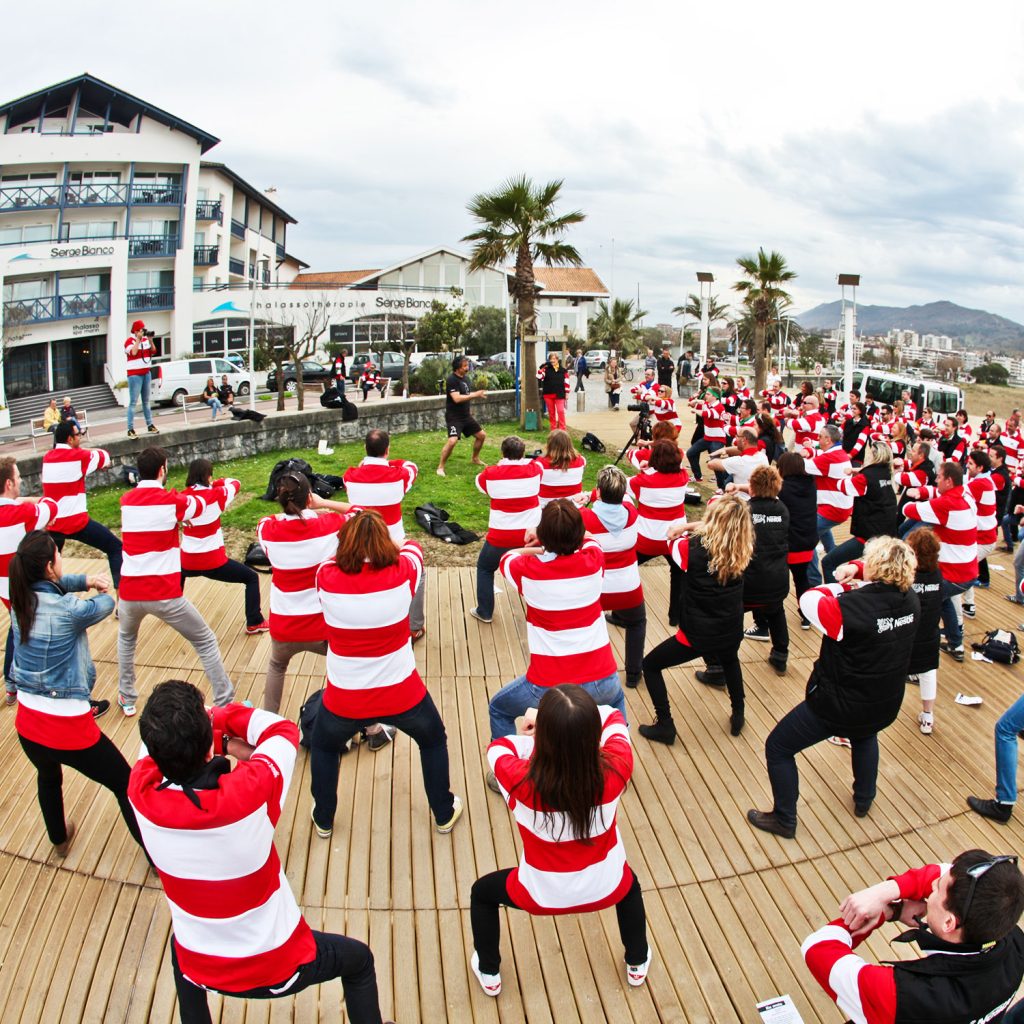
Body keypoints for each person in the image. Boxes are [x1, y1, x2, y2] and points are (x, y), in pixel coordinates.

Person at [130, 680, 389, 1024]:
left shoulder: (140, 793)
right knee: (359, 961)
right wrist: (219, 722)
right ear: (208, 747)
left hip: (202, 961)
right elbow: (281, 730)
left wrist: (210, 736)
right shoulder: (248, 795)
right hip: (275, 964)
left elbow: (151, 748)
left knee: (183, 954)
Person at [470, 687, 650, 997]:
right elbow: (613, 715)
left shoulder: (521, 782)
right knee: (629, 886)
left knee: (482, 894)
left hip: (540, 894)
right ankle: (636, 962)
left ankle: (489, 970)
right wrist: (569, 722)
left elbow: (498, 748)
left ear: (545, 738)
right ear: (592, 734)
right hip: (607, 884)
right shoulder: (618, 768)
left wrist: (533, 733)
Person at [747, 536, 919, 838]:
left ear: (875, 567)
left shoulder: (850, 609)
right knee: (866, 734)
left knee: (778, 746)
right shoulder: (911, 600)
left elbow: (809, 600)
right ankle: (864, 798)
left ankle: (784, 818)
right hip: (882, 700)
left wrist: (841, 584)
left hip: (838, 703)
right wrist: (858, 569)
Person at [311, 510, 463, 837]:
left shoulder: (326, 576)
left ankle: (323, 818)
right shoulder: (404, 571)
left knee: (324, 748)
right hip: (402, 693)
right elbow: (412, 547)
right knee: (434, 740)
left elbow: (331, 557)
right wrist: (388, 539)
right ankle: (443, 812)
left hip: (344, 698)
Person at [8, 531, 144, 856]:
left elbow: (52, 586)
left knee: (48, 775)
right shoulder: (69, 611)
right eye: (58, 555)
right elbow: (104, 605)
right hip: (67, 728)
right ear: (51, 566)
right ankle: (156, 857)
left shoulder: (19, 602)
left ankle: (59, 839)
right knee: (124, 783)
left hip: (28, 725)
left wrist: (82, 579)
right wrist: (100, 588)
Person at [804, 851, 1024, 1024]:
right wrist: (884, 892)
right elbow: (951, 874)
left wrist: (884, 911)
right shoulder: (1013, 941)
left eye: (936, 890)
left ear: (949, 923)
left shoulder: (901, 995)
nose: (930, 888)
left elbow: (817, 948)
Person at [486, 500, 626, 757]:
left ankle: (505, 769)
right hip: (601, 678)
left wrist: (539, 541)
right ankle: (618, 757)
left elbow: (508, 556)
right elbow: (589, 538)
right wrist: (557, 534)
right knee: (615, 701)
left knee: (499, 707)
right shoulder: (595, 559)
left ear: (545, 536)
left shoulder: (527, 571)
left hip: (547, 687)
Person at [117, 446, 235, 718]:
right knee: (205, 640)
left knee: (126, 639)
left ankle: (127, 695)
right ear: (162, 470)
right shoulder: (172, 500)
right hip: (163, 593)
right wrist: (219, 487)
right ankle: (225, 702)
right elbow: (201, 505)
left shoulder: (126, 500)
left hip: (129, 593)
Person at [637, 495, 754, 743]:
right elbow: (725, 531)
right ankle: (738, 712)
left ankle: (665, 724)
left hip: (698, 633)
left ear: (712, 521)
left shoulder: (688, 549)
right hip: (731, 627)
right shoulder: (744, 548)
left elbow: (670, 538)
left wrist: (684, 527)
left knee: (651, 665)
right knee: (730, 661)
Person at [256, 471, 354, 714]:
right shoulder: (330, 526)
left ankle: (268, 722)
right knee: (346, 667)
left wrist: (304, 510)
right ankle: (370, 727)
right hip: (321, 623)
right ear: (309, 497)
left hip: (284, 623)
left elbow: (272, 519)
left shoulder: (267, 529)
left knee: (277, 666)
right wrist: (322, 506)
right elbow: (360, 511)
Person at [343, 429, 425, 643]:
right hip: (393, 542)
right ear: (387, 450)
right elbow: (411, 466)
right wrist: (389, 462)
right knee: (418, 573)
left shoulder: (350, 477)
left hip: (360, 542)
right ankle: (414, 626)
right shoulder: (398, 476)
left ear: (365, 449)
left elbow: (359, 469)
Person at [902, 460, 978, 663]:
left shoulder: (947, 505)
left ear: (949, 481)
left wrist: (913, 497)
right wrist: (926, 492)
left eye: (939, 477)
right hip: (969, 570)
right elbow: (938, 494)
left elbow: (909, 510)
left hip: (952, 574)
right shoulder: (966, 494)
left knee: (920, 608)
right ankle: (956, 644)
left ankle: (918, 663)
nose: (936, 480)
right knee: (943, 602)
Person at [180, 459, 268, 635]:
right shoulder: (218, 494)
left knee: (178, 572)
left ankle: (171, 609)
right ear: (208, 476)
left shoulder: (181, 497)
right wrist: (215, 482)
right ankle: (254, 621)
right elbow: (236, 482)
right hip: (213, 561)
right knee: (251, 578)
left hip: (188, 560)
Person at [0, 457, 58, 705]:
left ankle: (10, 684)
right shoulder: (21, 513)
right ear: (10, 483)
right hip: (25, 586)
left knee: (17, 625)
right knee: (35, 630)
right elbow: (52, 507)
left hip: (4, 588)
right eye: (19, 476)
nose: (22, 480)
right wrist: (29, 500)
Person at [582, 466, 646, 688]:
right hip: (628, 588)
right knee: (637, 623)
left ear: (599, 492)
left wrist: (586, 497)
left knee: (588, 628)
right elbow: (626, 497)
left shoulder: (585, 517)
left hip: (596, 590)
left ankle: (591, 672)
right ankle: (633, 672)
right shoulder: (632, 512)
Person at [43, 420, 123, 594]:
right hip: (75, 523)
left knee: (49, 565)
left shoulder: (47, 458)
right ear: (70, 439)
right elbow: (104, 457)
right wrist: (88, 453)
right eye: (78, 435)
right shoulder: (80, 457)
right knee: (116, 547)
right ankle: (122, 602)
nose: (81, 437)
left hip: (53, 523)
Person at [472, 435, 544, 624]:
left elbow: (479, 483)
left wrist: (501, 466)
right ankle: (542, 609)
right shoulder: (535, 470)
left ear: (503, 453)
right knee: (540, 569)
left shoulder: (491, 473)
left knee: (485, 568)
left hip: (500, 537)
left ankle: (485, 611)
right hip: (531, 537)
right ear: (522, 453)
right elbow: (539, 466)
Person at [628, 439, 691, 624]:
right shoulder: (683, 477)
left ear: (654, 458)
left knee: (625, 568)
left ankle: (621, 612)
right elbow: (680, 451)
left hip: (647, 540)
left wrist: (646, 466)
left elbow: (623, 486)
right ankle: (675, 616)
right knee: (678, 573)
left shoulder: (643, 480)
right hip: (675, 539)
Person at [821, 441, 898, 583]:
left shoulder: (865, 477)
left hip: (868, 536)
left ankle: (834, 596)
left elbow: (843, 487)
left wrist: (844, 474)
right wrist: (857, 471)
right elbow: (872, 477)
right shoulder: (887, 472)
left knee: (828, 562)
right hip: (886, 533)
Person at [801, 422, 853, 587]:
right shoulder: (838, 453)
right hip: (837, 507)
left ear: (828, 440)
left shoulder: (829, 458)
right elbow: (818, 454)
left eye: (820, 437)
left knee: (806, 536)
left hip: (833, 509)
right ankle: (835, 562)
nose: (817, 439)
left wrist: (803, 453)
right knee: (824, 535)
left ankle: (814, 582)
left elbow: (802, 466)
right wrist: (810, 450)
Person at [905, 527, 943, 735]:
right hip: (929, 633)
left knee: (894, 673)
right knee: (928, 673)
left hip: (907, 635)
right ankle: (928, 716)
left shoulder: (909, 575)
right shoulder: (937, 574)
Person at [777, 452, 818, 630]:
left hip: (790, 543)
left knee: (777, 581)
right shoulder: (811, 484)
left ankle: (770, 618)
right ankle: (807, 615)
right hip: (808, 541)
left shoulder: (783, 488)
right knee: (802, 579)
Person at [437, 355, 486, 477]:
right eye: (464, 366)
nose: (467, 367)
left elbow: (466, 396)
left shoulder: (466, 379)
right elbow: (457, 398)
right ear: (458, 367)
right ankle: (440, 467)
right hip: (454, 417)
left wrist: (469, 410)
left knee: (481, 436)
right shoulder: (452, 380)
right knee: (452, 441)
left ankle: (475, 458)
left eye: (467, 365)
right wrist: (475, 394)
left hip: (466, 416)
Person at [961, 448, 996, 619]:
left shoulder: (979, 484)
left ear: (980, 467)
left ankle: (959, 619)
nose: (968, 467)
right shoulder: (986, 481)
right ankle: (969, 605)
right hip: (984, 538)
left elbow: (957, 495)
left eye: (971, 464)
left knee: (960, 573)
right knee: (965, 571)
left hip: (983, 539)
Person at [124, 318, 159, 438]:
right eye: (140, 330)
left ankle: (150, 425)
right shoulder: (129, 341)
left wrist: (150, 340)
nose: (142, 332)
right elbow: (133, 352)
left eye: (143, 330)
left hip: (146, 372)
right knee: (133, 402)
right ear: (135, 331)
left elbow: (153, 351)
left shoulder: (145, 340)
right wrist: (138, 340)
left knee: (146, 401)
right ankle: (130, 429)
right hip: (134, 375)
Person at [537, 429, 586, 507]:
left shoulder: (540, 464)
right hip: (574, 508)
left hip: (546, 509)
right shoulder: (581, 461)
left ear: (549, 445)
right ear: (569, 444)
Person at [536, 351, 570, 430]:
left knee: (560, 411)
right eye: (551, 359)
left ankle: (562, 429)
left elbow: (567, 382)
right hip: (548, 394)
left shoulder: (563, 370)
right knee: (551, 413)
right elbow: (539, 377)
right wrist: (542, 368)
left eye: (554, 358)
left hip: (560, 394)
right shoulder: (546, 369)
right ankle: (553, 429)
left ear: (557, 359)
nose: (553, 360)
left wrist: (567, 393)